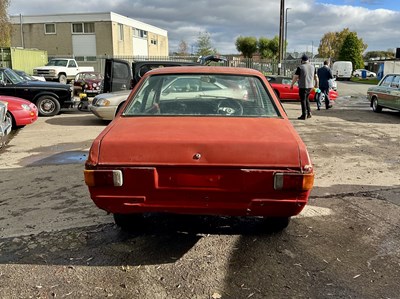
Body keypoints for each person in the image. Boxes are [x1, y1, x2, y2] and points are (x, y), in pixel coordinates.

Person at [290, 55, 319, 120]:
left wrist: (292, 85)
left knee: (303, 100)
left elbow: (295, 77)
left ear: (302, 60)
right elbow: (316, 77)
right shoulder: (313, 67)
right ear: (308, 60)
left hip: (303, 86)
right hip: (310, 87)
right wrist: (316, 84)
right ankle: (309, 113)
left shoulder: (300, 67)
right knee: (307, 99)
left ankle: (304, 114)